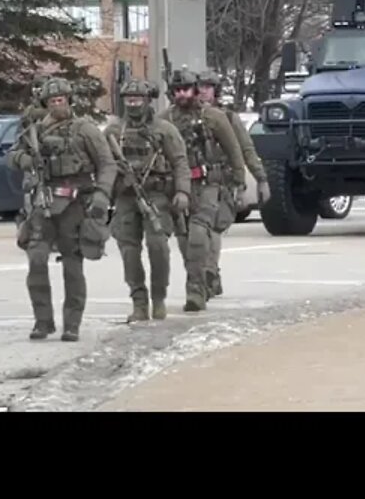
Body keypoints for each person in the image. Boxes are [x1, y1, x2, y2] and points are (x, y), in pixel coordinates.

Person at [8, 77, 117, 341]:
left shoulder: (84, 129)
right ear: (45, 104)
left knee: (72, 264)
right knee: (36, 260)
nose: (58, 104)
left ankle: (72, 324)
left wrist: (102, 196)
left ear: (69, 100)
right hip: (42, 203)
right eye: (53, 101)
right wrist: (26, 159)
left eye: (62, 100)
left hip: (75, 203)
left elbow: (107, 164)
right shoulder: (35, 131)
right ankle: (42, 321)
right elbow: (12, 155)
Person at [157, 69, 246, 312]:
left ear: (195, 90)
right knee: (185, 242)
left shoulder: (214, 117)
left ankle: (195, 291)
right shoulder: (165, 120)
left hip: (208, 185)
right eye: (176, 91)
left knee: (198, 235)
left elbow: (234, 150)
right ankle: (200, 281)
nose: (181, 94)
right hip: (177, 188)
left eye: (185, 89)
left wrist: (239, 180)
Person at [106, 80, 191, 322]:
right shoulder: (113, 132)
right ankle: (139, 301)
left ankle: (159, 298)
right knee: (129, 251)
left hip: (157, 196)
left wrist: (182, 192)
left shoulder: (164, 130)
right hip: (125, 197)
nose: (133, 104)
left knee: (158, 247)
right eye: (129, 100)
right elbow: (103, 165)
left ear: (147, 100)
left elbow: (180, 163)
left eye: (138, 99)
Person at [194, 69, 270, 297]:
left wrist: (261, 178)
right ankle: (205, 275)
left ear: (215, 91)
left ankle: (209, 274)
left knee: (214, 230)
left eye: (208, 87)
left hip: (222, 182)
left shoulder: (227, 118)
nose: (203, 92)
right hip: (195, 182)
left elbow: (245, 149)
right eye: (199, 87)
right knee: (196, 234)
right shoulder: (187, 117)